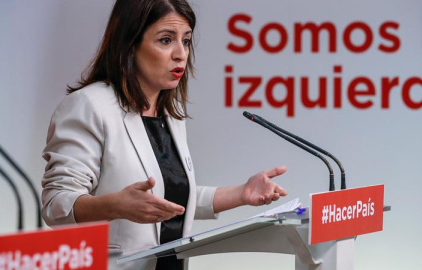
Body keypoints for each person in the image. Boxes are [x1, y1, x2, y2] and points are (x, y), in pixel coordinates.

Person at [41, 0, 287, 269]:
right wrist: (115, 205)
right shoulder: (89, 106)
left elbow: (170, 198)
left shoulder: (171, 112)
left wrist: (242, 193)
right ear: (130, 43)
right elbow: (56, 205)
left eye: (187, 40)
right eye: (166, 40)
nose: (181, 53)